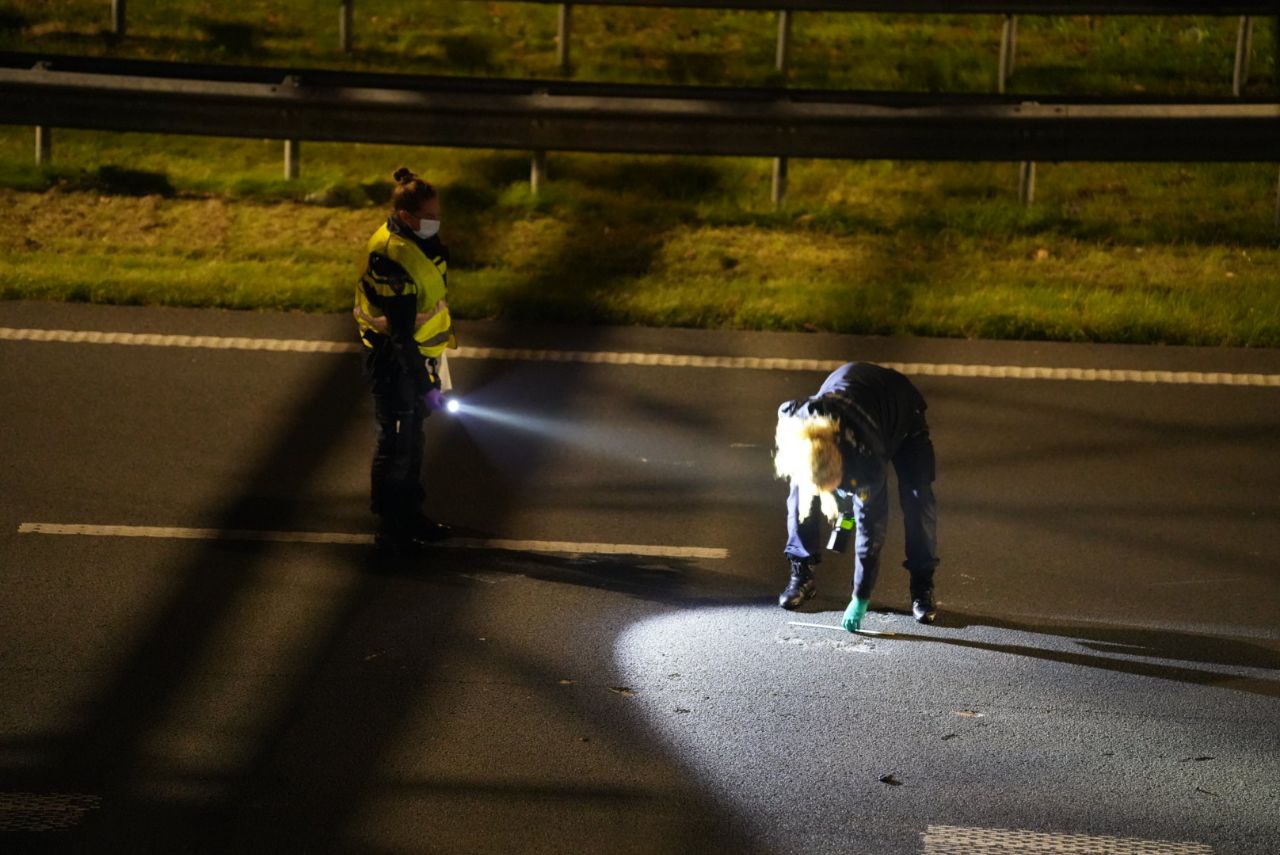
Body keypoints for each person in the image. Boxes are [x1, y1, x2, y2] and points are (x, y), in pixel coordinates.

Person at [773, 362, 939, 632]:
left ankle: (922, 583)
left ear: (843, 464)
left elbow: (870, 531)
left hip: (900, 410)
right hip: (849, 392)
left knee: (918, 499)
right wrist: (832, 495)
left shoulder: (866, 460)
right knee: (800, 491)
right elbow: (785, 415)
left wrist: (860, 597)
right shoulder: (798, 425)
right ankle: (801, 570)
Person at [353, 166, 456, 552]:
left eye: (436, 214)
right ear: (404, 216)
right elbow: (398, 337)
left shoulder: (417, 240)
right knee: (396, 444)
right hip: (394, 361)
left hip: (418, 356)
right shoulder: (390, 255)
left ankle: (411, 516)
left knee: (412, 441)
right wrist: (428, 387)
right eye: (429, 216)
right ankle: (391, 529)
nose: (435, 222)